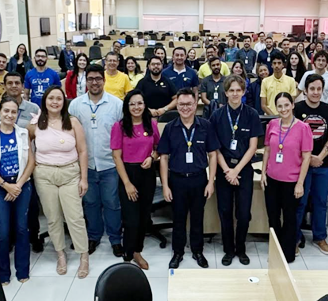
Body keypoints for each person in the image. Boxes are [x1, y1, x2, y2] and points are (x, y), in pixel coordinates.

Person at [31, 86, 90, 278]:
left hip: (70, 173)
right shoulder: (36, 124)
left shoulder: (72, 122)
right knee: (53, 218)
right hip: (44, 175)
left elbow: (82, 151)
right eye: (51, 98)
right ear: (45, 101)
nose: (55, 102)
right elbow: (25, 146)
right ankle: (61, 255)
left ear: (64, 102)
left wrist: (84, 179)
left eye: (59, 98)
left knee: (75, 218)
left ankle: (83, 256)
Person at [68, 64, 124, 257]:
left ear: (104, 79)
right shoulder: (75, 105)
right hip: (86, 166)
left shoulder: (117, 104)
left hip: (110, 164)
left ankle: (116, 239)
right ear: (86, 81)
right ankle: (94, 237)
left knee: (112, 203)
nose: (94, 82)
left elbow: (124, 134)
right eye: (90, 79)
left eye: (98, 78)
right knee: (90, 203)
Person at [160, 89, 219, 269]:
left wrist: (210, 182)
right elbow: (163, 158)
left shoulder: (206, 126)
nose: (185, 108)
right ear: (177, 106)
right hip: (176, 180)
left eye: (188, 104)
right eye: (181, 104)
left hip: (199, 179)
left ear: (195, 105)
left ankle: (197, 251)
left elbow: (213, 155)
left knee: (197, 218)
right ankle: (177, 252)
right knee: (178, 218)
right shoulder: (170, 128)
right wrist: (165, 186)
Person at [0, 95, 35, 285]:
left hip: (21, 186)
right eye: (6, 111)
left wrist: (17, 186)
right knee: (3, 232)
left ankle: (23, 270)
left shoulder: (23, 133)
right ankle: (2, 273)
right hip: (0, 187)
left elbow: (31, 162)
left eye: (13, 111)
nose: (10, 115)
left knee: (21, 228)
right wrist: (6, 186)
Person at [210, 75, 261, 265]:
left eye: (238, 90)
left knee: (243, 213)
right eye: (231, 90)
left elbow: (253, 147)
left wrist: (236, 170)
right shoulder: (217, 116)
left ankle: (241, 248)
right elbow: (215, 147)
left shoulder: (252, 114)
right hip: (224, 170)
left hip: (244, 169)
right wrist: (227, 171)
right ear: (225, 93)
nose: (235, 94)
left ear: (244, 91)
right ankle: (228, 249)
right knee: (224, 211)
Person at [111, 90, 159, 270]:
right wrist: (127, 183)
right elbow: (116, 157)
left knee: (144, 216)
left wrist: (152, 157)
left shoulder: (151, 124)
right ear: (127, 107)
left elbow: (158, 148)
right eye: (132, 104)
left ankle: (137, 250)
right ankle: (129, 251)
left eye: (140, 103)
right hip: (128, 174)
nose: (136, 107)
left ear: (144, 105)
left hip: (147, 174)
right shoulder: (120, 126)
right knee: (131, 219)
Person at [262, 92, 312, 263]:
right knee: (273, 218)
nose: (283, 109)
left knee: (290, 219)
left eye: (286, 105)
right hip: (272, 179)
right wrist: (263, 173)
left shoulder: (303, 128)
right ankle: (275, 253)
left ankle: (288, 253)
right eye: (280, 106)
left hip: (291, 182)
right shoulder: (272, 124)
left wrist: (300, 183)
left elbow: (306, 157)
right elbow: (268, 150)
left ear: (292, 105)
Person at [294, 74, 328, 255]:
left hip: (323, 164)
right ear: (305, 90)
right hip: (301, 165)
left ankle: (320, 237)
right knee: (299, 202)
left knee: (321, 202)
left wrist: (319, 157)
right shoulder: (296, 109)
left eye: (319, 89)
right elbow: (293, 137)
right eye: (312, 89)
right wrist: (308, 157)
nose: (315, 92)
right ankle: (294, 238)